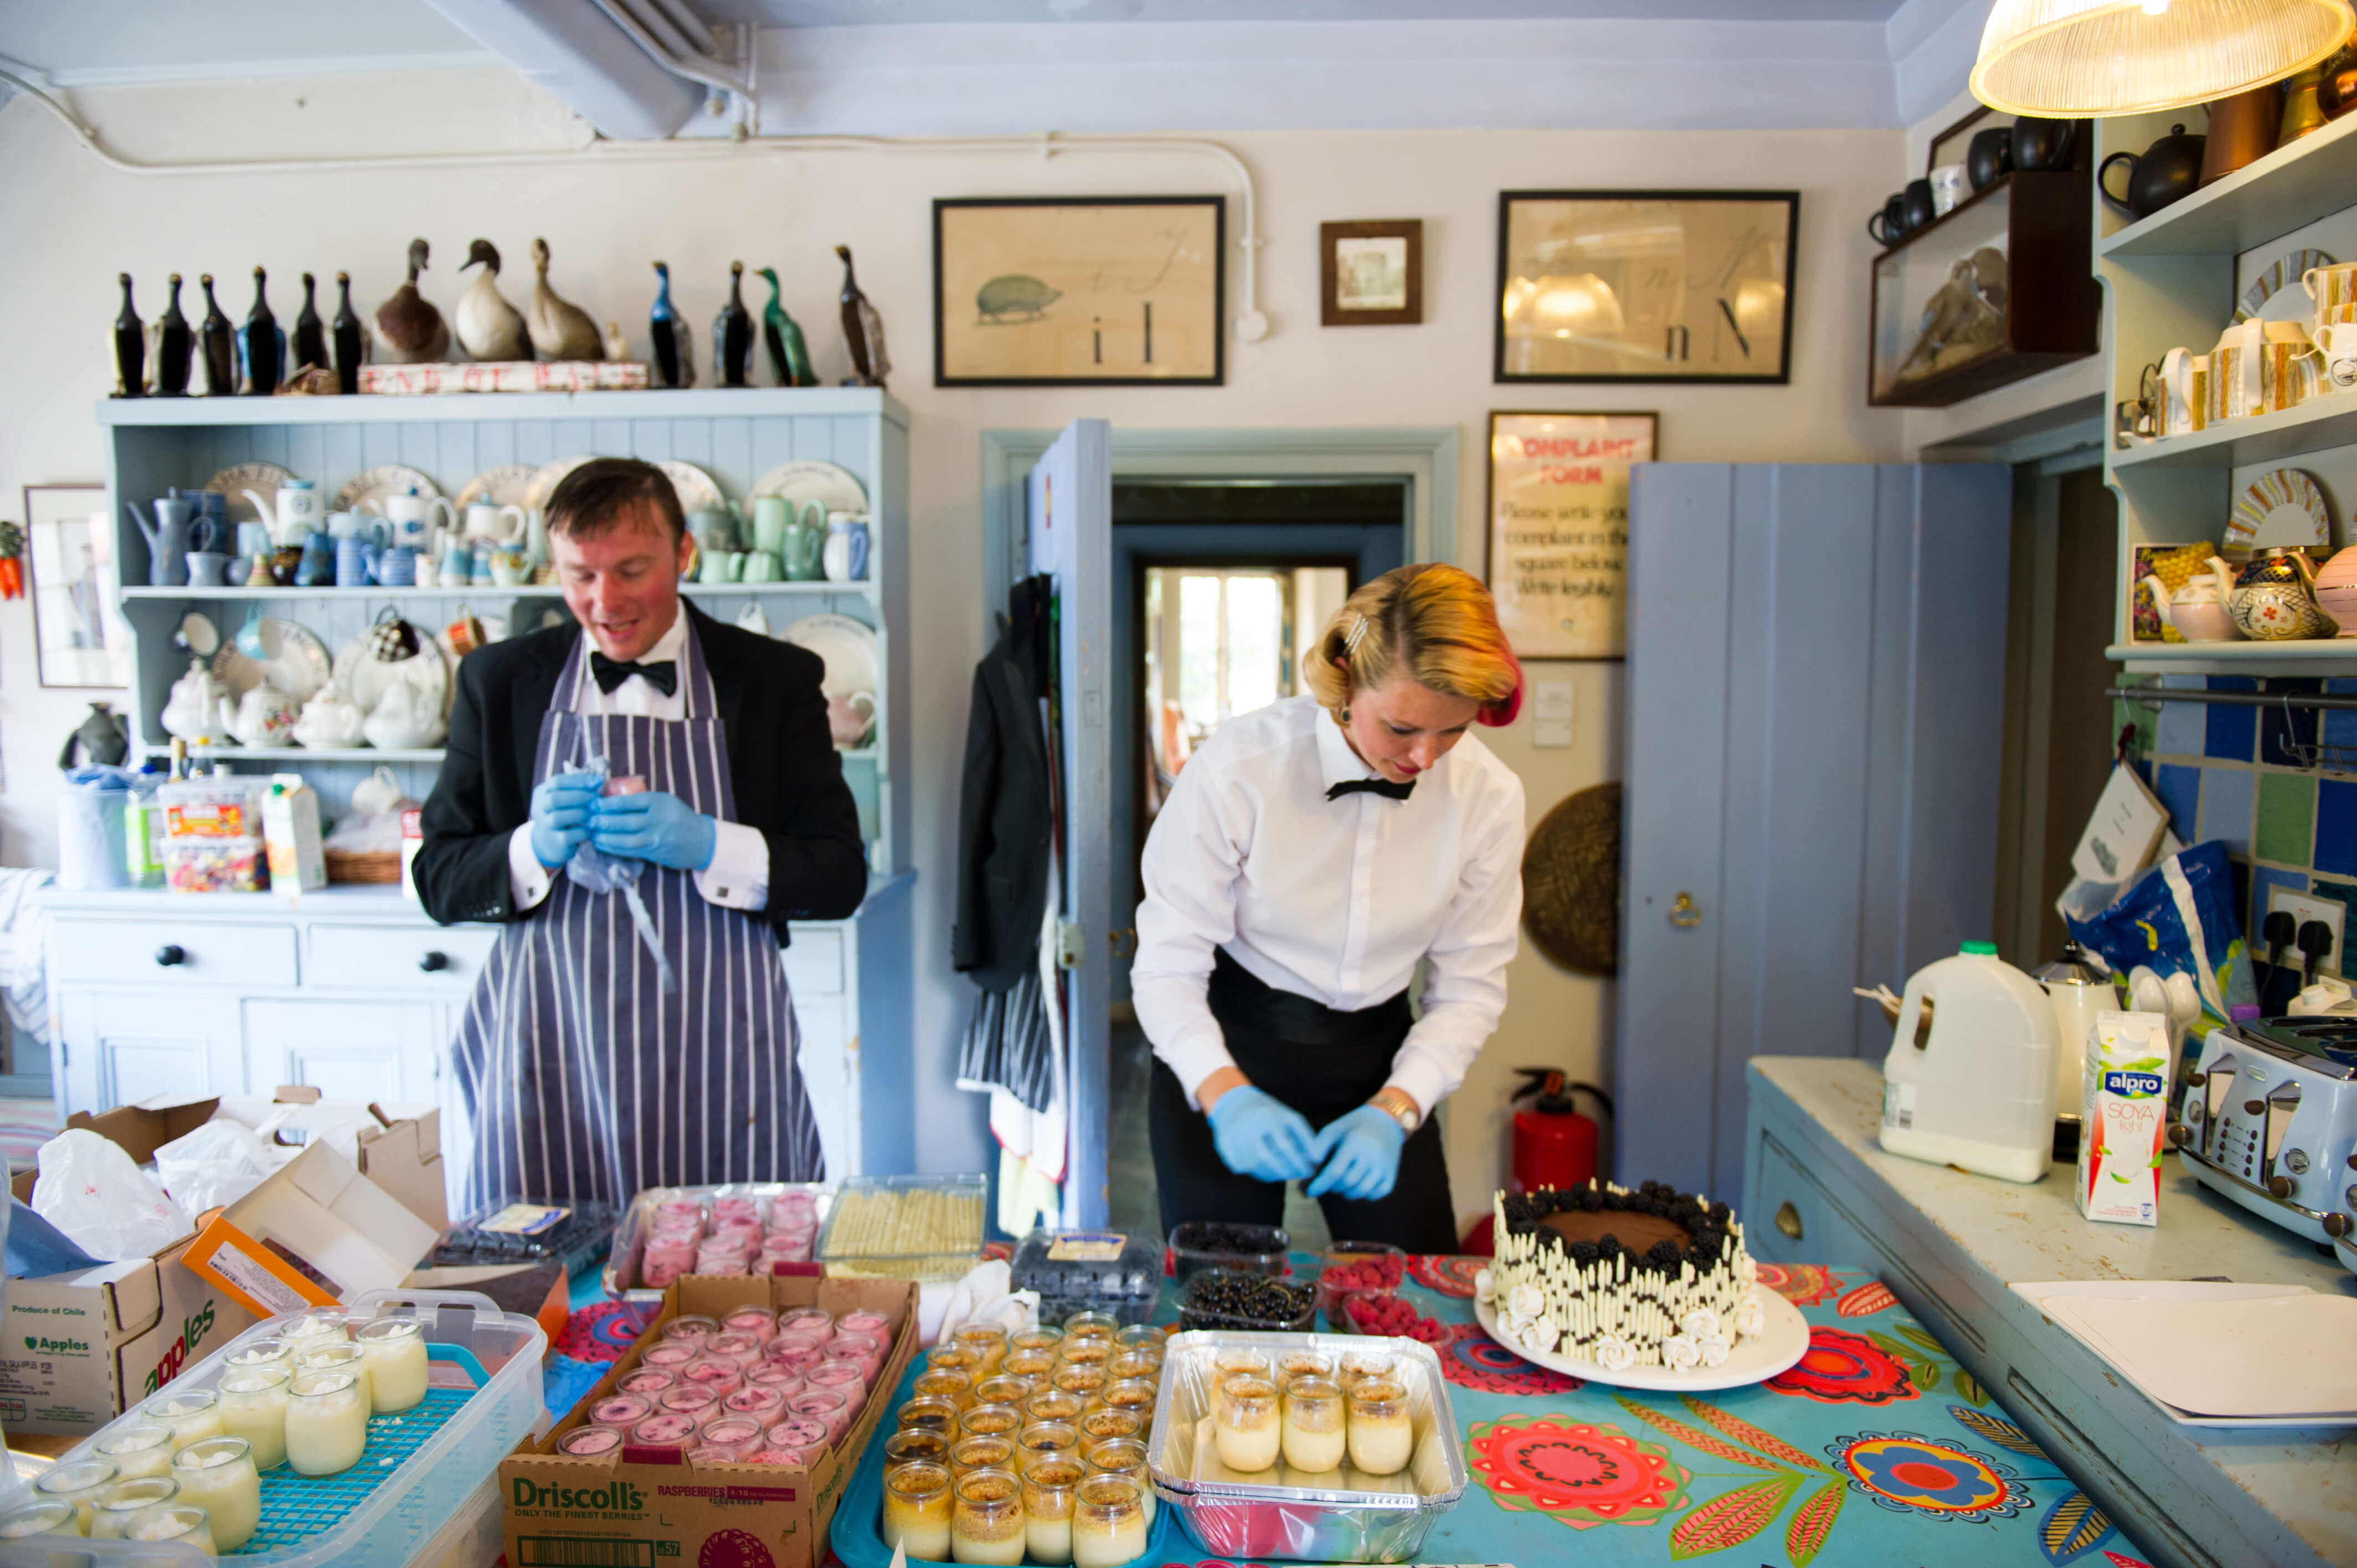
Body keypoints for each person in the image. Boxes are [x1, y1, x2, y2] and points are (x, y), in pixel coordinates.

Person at [414, 458, 867, 1210]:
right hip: (549, 1057)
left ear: (684, 554)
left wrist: (710, 845)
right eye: (580, 577)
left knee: (737, 1281)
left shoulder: (774, 679)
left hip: (722, 1062)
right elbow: (439, 876)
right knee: (552, 1281)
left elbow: (839, 873)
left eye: (632, 571)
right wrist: (531, 848)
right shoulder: (499, 683)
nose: (605, 602)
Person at [1131, 562, 1526, 1252]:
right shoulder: (1238, 768)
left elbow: (1469, 987)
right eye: (1403, 727)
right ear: (1345, 681)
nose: (1425, 758)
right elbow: (1166, 963)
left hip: (1379, 1057)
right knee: (1222, 1299)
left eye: (1453, 731)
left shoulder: (1489, 797)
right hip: (1229, 1039)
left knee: (1410, 1299)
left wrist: (1397, 1107)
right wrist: (1222, 1091)